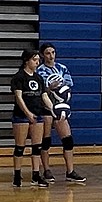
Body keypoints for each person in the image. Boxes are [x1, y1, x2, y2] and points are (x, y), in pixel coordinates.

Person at [37, 41, 86, 184]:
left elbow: (68, 86)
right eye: (47, 53)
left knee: (68, 139)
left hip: (61, 107)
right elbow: (41, 91)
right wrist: (49, 88)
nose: (51, 56)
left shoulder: (62, 68)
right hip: (46, 109)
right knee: (46, 141)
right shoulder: (40, 71)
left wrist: (60, 91)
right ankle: (46, 169)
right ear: (42, 55)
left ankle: (70, 171)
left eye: (53, 52)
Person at [11, 47, 52, 188]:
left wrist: (53, 108)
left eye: (38, 60)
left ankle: (36, 175)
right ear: (26, 61)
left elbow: (44, 96)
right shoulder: (19, 77)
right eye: (34, 60)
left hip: (38, 115)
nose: (37, 62)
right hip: (21, 116)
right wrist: (27, 113)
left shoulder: (39, 78)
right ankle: (17, 174)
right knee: (20, 147)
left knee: (36, 147)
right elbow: (18, 97)